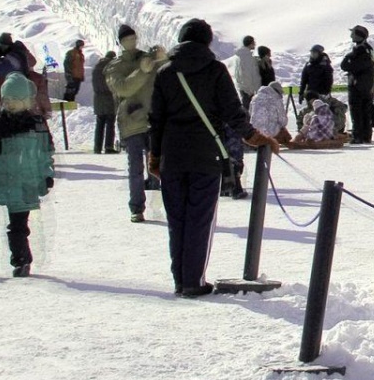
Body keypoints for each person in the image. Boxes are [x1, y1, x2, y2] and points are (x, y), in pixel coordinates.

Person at [148, 18, 275, 297]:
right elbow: (233, 113)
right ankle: (194, 280)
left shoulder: (165, 73)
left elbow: (155, 120)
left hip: (172, 155)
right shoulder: (215, 70)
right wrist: (255, 137)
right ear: (207, 42)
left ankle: (180, 280)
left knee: (177, 220)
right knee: (199, 219)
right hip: (206, 154)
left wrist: (155, 157)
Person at [0, 74, 55, 277]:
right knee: (17, 224)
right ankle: (20, 260)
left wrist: (46, 174)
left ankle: (22, 259)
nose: (12, 104)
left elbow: (45, 152)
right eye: (8, 100)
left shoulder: (36, 124)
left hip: (29, 181)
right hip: (10, 182)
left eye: (18, 100)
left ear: (28, 101)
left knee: (21, 222)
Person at [103, 25, 160, 223]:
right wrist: (142, 71)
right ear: (120, 43)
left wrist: (162, 58)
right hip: (132, 120)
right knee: (135, 167)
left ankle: (169, 203)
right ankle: (137, 207)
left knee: (160, 165)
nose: (131, 42)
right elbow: (124, 88)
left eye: (133, 38)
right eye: (126, 39)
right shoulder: (114, 66)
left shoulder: (147, 58)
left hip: (153, 119)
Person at [340, 26, 374, 145]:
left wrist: (349, 58)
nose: (351, 36)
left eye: (353, 34)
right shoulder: (368, 50)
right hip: (366, 85)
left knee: (357, 111)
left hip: (357, 85)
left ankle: (358, 136)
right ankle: (366, 135)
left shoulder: (361, 50)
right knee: (365, 111)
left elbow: (348, 66)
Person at [90, 48, 118, 153]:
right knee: (110, 122)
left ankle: (97, 147)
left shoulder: (96, 67)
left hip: (97, 98)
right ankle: (108, 146)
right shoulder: (111, 67)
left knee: (100, 123)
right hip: (109, 98)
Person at [229, 36, 260, 107]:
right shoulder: (247, 57)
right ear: (250, 43)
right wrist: (250, 90)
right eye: (253, 42)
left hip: (242, 87)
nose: (255, 44)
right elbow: (247, 74)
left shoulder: (239, 56)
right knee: (249, 111)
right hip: (248, 89)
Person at [62, 39, 86, 103]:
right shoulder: (71, 53)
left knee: (75, 90)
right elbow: (66, 63)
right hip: (72, 75)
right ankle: (66, 103)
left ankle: (71, 103)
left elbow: (80, 66)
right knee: (70, 90)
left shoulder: (81, 55)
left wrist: (82, 76)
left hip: (78, 76)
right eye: (81, 45)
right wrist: (68, 73)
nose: (82, 47)